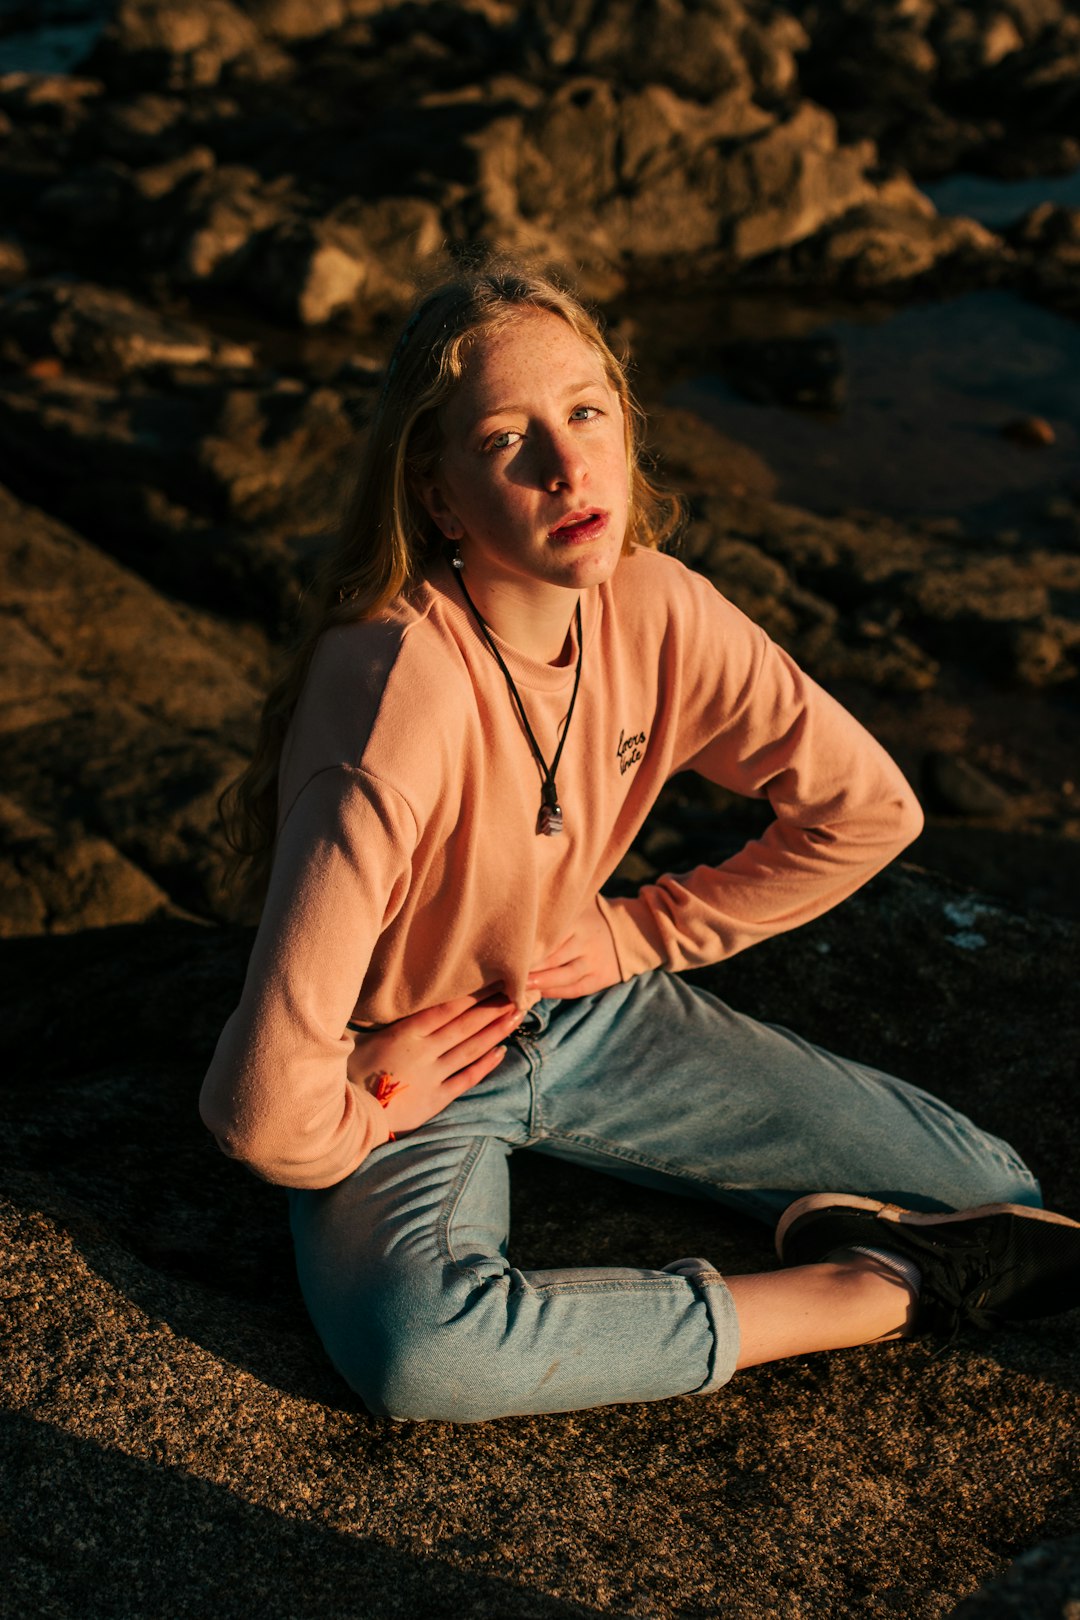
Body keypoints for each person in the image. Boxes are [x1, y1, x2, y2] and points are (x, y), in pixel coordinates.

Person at [200, 262, 1080, 1423]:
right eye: (509, 439)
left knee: (988, 1187)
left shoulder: (657, 608)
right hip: (408, 1058)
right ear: (439, 492)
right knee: (422, 1354)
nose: (567, 467)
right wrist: (363, 1102)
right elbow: (255, 1110)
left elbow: (870, 811)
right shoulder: (392, 697)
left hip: (584, 1010)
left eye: (586, 412)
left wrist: (641, 931)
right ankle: (879, 1289)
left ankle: (918, 1246)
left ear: (624, 422)